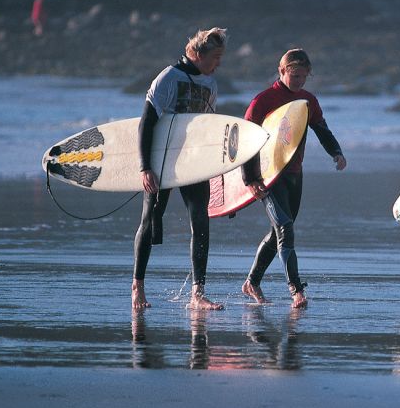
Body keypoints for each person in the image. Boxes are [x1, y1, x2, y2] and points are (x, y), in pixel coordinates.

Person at [241, 48, 346, 308]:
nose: (298, 81)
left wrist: (336, 152)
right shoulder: (263, 100)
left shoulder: (308, 101)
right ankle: (296, 290)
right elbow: (245, 141)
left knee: (280, 230)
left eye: (303, 77)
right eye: (294, 75)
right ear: (281, 71)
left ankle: (251, 282)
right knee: (286, 229)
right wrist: (250, 179)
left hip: (294, 174)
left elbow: (321, 129)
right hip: (268, 176)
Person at [132, 27, 228, 310]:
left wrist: (217, 168)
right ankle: (137, 286)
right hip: (163, 158)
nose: (218, 63)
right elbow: (146, 123)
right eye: (216, 57)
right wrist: (144, 166)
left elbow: (207, 130)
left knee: (201, 221)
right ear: (198, 54)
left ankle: (197, 294)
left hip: (194, 160)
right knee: (151, 220)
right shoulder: (169, 77)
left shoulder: (211, 84)